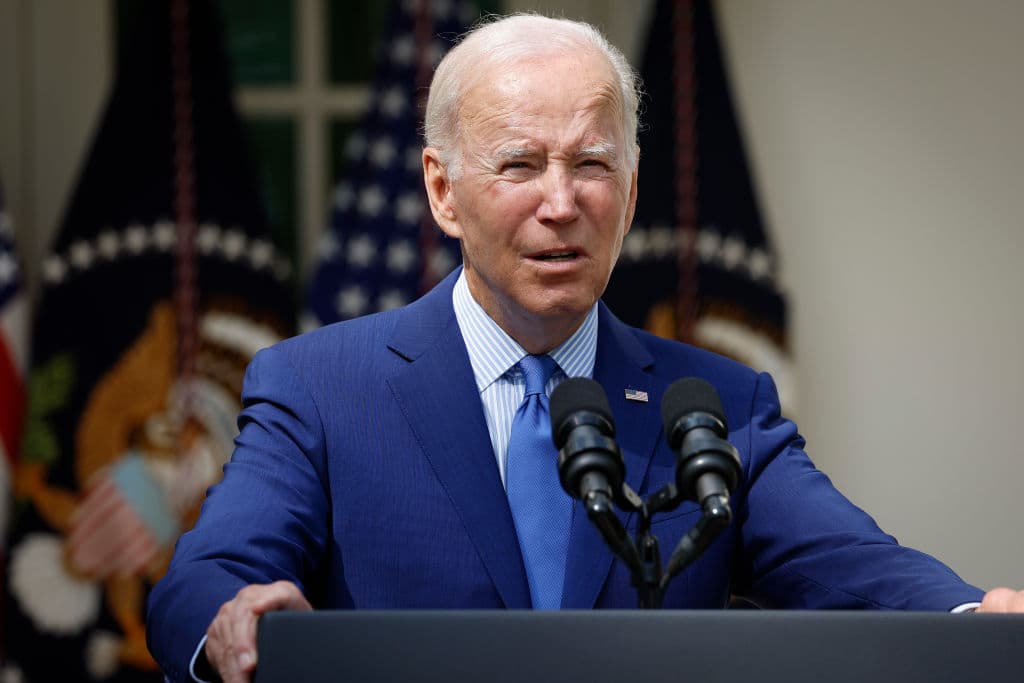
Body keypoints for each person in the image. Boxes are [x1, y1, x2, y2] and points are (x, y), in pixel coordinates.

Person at [145, 13, 1024, 683]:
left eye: (592, 166)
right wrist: (232, 617)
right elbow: (204, 579)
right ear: (443, 191)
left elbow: (851, 563)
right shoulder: (321, 387)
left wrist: (977, 612)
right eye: (521, 165)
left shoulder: (711, 403)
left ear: (632, 192)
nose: (562, 203)